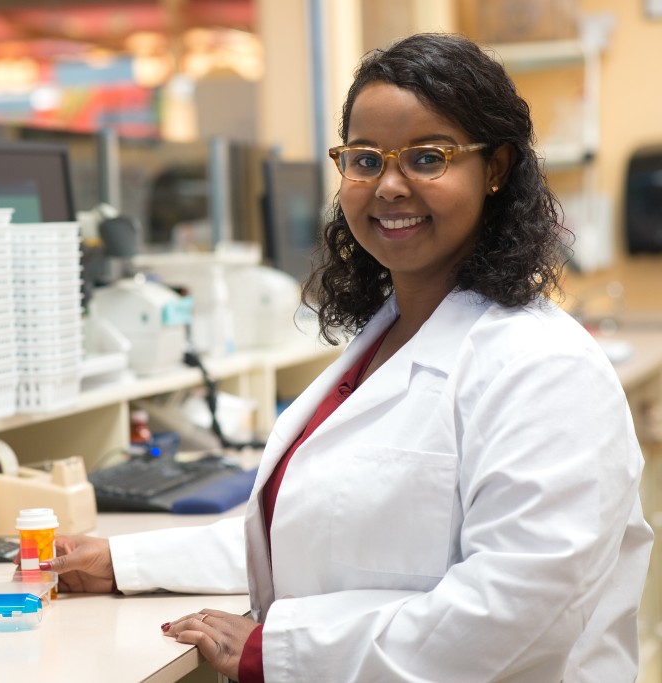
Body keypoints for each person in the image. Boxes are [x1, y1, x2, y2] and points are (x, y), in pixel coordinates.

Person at [40, 33, 653, 682]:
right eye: (365, 160)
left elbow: (510, 615)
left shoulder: (545, 368)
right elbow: (316, 533)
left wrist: (271, 650)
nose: (389, 185)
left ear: (495, 168)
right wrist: (122, 562)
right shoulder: (386, 340)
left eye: (427, 157)